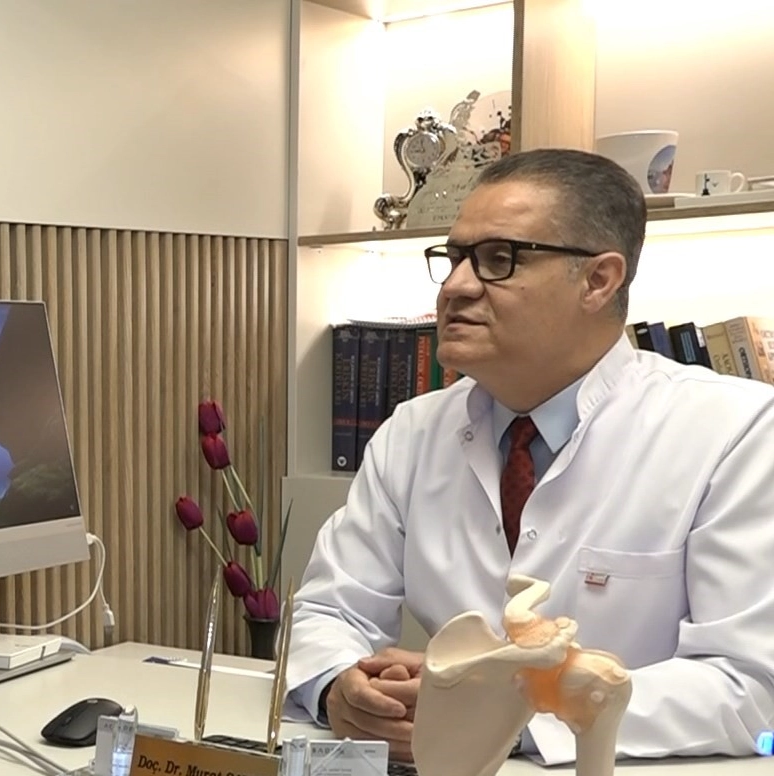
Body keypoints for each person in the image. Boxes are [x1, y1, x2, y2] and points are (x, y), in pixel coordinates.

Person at [285, 148, 774, 765]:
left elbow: (748, 684)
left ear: (599, 280)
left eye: (499, 259)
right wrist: (338, 686)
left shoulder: (734, 431)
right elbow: (329, 610)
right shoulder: (413, 431)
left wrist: (508, 716)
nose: (457, 287)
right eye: (455, 258)